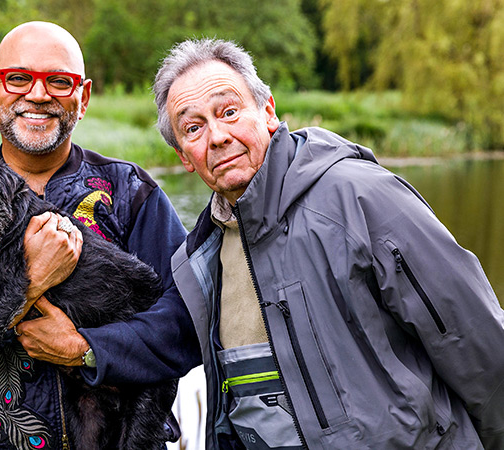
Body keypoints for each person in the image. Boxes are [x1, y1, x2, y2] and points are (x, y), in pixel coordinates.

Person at [154, 37, 504, 449]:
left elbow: (478, 346)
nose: (216, 137)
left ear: (268, 112)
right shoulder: (200, 258)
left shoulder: (361, 196)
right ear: (183, 156)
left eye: (229, 112)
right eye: (193, 127)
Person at [0, 21, 201, 448]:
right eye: (18, 78)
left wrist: (88, 349)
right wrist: (33, 278)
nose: (38, 95)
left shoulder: (131, 191)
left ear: (84, 97)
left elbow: (186, 325)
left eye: (59, 82)